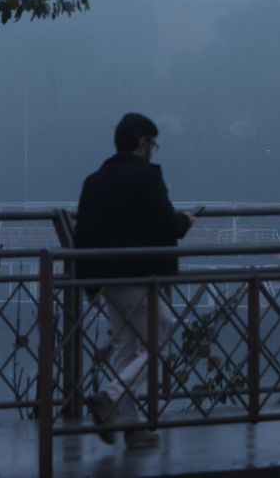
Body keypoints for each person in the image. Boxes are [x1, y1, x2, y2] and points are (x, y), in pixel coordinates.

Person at [73, 112, 193, 448]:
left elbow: (81, 236)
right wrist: (183, 222)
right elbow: (162, 223)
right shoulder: (146, 176)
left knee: (126, 350)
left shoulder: (94, 181)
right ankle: (109, 397)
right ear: (142, 143)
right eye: (153, 144)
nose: (153, 150)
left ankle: (131, 427)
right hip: (140, 276)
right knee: (162, 339)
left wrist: (89, 286)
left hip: (106, 279)